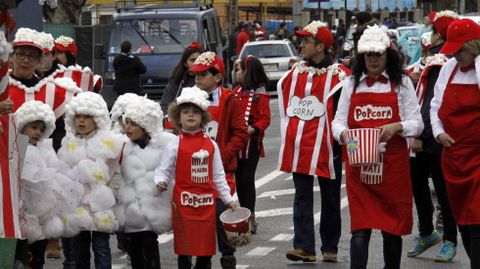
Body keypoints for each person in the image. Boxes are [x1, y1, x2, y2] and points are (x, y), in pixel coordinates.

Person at [332, 25, 423, 269]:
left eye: (378, 54)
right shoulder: (351, 84)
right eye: (368, 55)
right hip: (360, 170)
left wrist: (399, 127)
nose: (373, 59)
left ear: (387, 55)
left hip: (393, 171)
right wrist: (348, 137)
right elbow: (337, 122)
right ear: (361, 56)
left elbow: (418, 123)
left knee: (391, 230)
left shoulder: (402, 83)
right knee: (360, 230)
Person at [277, 21, 350, 263]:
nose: (300, 45)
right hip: (300, 144)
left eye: (305, 41)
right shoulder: (295, 72)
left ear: (320, 46)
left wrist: (347, 144)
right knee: (301, 195)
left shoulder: (340, 76)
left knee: (330, 197)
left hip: (329, 146)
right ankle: (304, 246)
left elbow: (346, 111)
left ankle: (330, 246)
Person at [155, 86, 237, 269]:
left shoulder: (211, 145)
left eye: (195, 112)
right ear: (178, 117)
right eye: (185, 112)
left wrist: (228, 199)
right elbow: (163, 170)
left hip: (207, 205)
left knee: (205, 250)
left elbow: (218, 177)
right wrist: (161, 181)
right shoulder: (174, 144)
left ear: (202, 117)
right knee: (184, 250)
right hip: (183, 205)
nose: (190, 115)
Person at [407, 12, 462, 263]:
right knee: (420, 188)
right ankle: (428, 233)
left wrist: (420, 134)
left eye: (432, 29)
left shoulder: (443, 61)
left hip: (432, 136)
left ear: (440, 34)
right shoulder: (434, 59)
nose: (427, 33)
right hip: (426, 133)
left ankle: (449, 239)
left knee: (442, 190)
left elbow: (431, 102)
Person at [189, 52, 249, 269]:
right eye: (195, 75)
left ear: (217, 77)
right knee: (198, 217)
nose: (197, 79)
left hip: (221, 169)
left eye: (203, 74)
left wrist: (221, 157)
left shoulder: (229, 99)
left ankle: (227, 257)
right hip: (194, 170)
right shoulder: (188, 99)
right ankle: (202, 258)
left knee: (219, 212)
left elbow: (241, 133)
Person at [430, 18, 480, 268]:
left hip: (478, 158)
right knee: (463, 222)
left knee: (478, 220)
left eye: (460, 49)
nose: (455, 54)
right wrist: (438, 132)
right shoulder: (449, 69)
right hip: (453, 159)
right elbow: (435, 107)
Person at [58, 92, 124, 269]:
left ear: (98, 119)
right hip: (77, 205)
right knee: (79, 249)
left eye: (87, 117)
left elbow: (115, 173)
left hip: (101, 206)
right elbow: (62, 171)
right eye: (78, 116)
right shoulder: (68, 142)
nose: (81, 121)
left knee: (101, 248)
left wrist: (112, 195)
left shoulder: (107, 142)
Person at [117, 97, 175, 269]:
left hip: (153, 211)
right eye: (126, 122)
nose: (127, 127)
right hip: (130, 213)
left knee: (149, 248)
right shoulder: (121, 146)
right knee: (133, 250)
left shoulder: (164, 145)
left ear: (146, 127)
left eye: (133, 124)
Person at [15, 101, 72, 269]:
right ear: (22, 125)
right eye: (34, 127)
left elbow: (54, 173)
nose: (38, 133)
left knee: (37, 257)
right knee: (21, 258)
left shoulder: (45, 149)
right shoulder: (16, 147)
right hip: (21, 213)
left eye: (41, 129)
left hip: (42, 216)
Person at [233, 55, 271, 234]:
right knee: (238, 180)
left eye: (240, 70)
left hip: (251, 144)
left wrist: (254, 129)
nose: (237, 74)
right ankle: (243, 215)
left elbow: (265, 118)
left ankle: (251, 217)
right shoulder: (235, 91)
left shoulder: (260, 94)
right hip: (236, 143)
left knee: (247, 180)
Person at [160, 42, 203, 114]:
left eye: (199, 60)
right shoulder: (177, 80)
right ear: (185, 63)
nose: (196, 63)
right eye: (193, 60)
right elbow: (165, 105)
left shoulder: (208, 80)